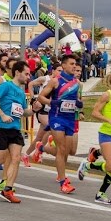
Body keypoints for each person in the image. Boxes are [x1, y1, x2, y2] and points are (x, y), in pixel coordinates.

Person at [78, 70, 111, 205]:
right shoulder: (107, 95)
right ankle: (88, 165)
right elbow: (95, 113)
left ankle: (101, 193)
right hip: (106, 134)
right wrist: (108, 120)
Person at [34, 54, 81, 194]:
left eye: (75, 64)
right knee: (61, 149)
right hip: (56, 118)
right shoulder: (55, 81)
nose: (74, 66)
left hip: (70, 119)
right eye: (71, 64)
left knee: (66, 150)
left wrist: (79, 104)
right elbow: (41, 96)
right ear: (64, 65)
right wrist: (52, 102)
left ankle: (41, 147)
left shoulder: (77, 83)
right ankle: (63, 181)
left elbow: (77, 100)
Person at [0, 60, 32, 204]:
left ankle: (8, 189)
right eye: (26, 74)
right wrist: (2, 114)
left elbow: (24, 112)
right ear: (18, 72)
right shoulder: (6, 86)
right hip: (1, 126)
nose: (28, 77)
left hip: (15, 129)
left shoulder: (21, 92)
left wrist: (34, 110)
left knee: (15, 158)